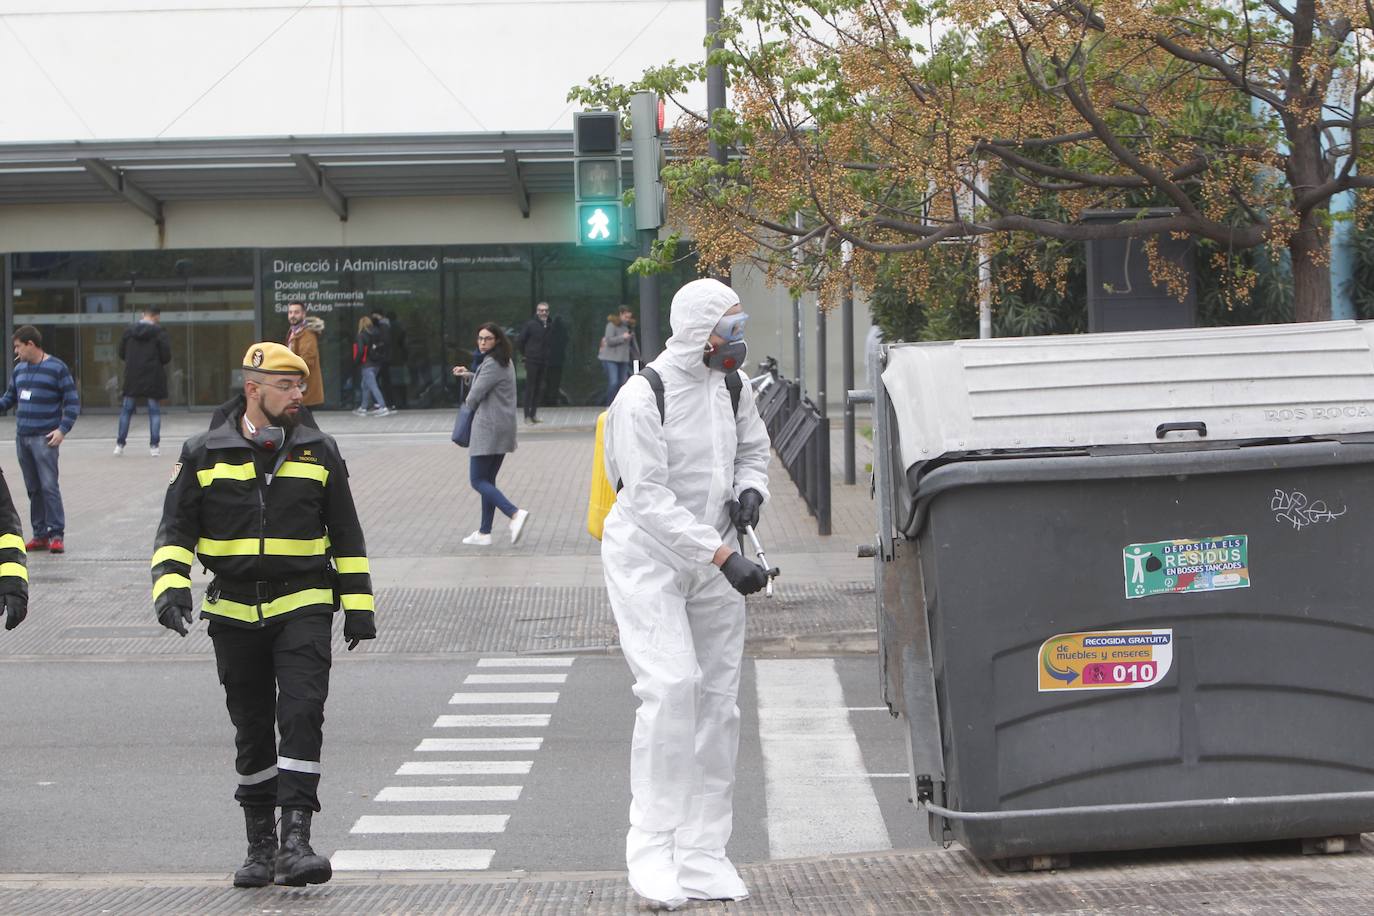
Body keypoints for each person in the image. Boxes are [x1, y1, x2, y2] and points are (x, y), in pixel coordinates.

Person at [151, 341, 375, 889]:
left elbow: (346, 532)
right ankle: (260, 846)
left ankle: (297, 841)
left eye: (300, 386)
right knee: (252, 728)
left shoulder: (319, 450)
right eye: (287, 386)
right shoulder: (203, 452)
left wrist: (359, 605)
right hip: (231, 610)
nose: (299, 394)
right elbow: (175, 529)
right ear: (254, 390)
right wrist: (171, 588)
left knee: (302, 714)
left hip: (304, 603)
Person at [600, 278, 771, 907]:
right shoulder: (643, 396)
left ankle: (703, 852)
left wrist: (752, 491)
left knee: (719, 705)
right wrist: (724, 554)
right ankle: (651, 846)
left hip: (715, 556)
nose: (738, 338)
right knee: (673, 689)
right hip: (650, 559)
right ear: (699, 329)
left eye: (740, 323)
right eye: (729, 326)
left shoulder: (733, 387)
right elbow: (643, 499)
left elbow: (754, 451)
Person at [0, 326, 80, 554]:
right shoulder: (19, 370)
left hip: (44, 439)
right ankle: (40, 534)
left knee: (48, 487)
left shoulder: (57, 368)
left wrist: (62, 430)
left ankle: (56, 534)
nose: (16, 351)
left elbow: (72, 402)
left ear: (30, 344)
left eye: (18, 346)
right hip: (22, 438)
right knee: (33, 488)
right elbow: (9, 399)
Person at [451, 322, 530, 547]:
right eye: (480, 338)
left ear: (497, 340)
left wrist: (469, 392)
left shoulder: (491, 362)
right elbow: (488, 381)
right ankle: (484, 532)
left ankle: (515, 513)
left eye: (487, 338)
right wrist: (468, 374)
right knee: (488, 480)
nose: (482, 342)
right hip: (502, 427)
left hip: (488, 428)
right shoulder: (503, 361)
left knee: (477, 480)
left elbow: (474, 396)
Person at [114, 306, 172, 457]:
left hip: (132, 375)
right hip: (153, 375)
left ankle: (119, 445)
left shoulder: (128, 331)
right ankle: (154, 447)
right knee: (154, 412)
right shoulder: (160, 333)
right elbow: (166, 357)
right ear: (157, 317)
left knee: (127, 410)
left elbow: (121, 353)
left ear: (142, 315)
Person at [515, 301, 553, 423]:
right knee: (530, 387)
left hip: (543, 360)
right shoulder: (530, 325)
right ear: (537, 312)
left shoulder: (549, 324)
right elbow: (520, 340)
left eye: (546, 310)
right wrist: (526, 354)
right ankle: (527, 416)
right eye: (541, 310)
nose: (544, 313)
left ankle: (533, 414)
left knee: (539, 388)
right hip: (532, 360)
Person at [285, 301, 325, 409]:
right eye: (290, 312)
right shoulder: (294, 331)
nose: (292, 315)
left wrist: (294, 378)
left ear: (303, 314)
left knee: (303, 421)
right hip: (299, 386)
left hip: (304, 387)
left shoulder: (307, 334)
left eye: (296, 312)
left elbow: (307, 361)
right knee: (302, 422)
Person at [351, 316, 389, 417]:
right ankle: (363, 407)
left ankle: (383, 406)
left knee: (372, 385)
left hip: (367, 365)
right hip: (377, 364)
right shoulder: (376, 334)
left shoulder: (361, 335)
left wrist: (356, 362)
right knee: (365, 385)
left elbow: (360, 351)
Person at [598, 310, 634, 405]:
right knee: (614, 382)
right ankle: (609, 404)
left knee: (623, 383)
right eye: (626, 317)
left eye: (629, 317)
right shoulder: (611, 325)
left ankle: (620, 405)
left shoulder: (628, 327)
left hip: (623, 358)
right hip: (610, 358)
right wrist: (623, 337)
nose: (627, 319)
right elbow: (609, 341)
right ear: (620, 314)